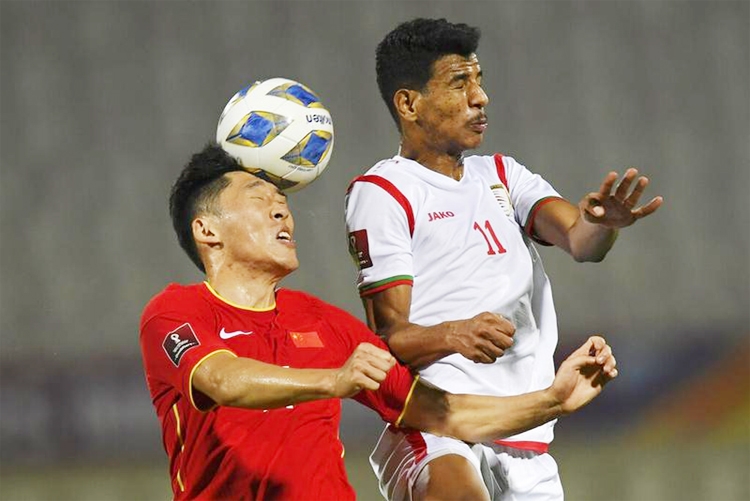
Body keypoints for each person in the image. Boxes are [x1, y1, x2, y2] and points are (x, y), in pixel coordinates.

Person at [139, 143, 618, 500]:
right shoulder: (175, 312)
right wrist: (334, 380)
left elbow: (443, 414)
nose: (281, 207)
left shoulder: (323, 323)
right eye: (258, 197)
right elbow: (223, 380)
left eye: (280, 200)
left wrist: (553, 400)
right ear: (207, 230)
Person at [345, 18, 662, 501]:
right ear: (409, 103)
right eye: (459, 82)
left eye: (479, 79)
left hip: (528, 437)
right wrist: (454, 333)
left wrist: (604, 223)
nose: (481, 97)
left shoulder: (502, 175)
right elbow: (387, 339)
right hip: (439, 427)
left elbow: (582, 242)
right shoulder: (383, 191)